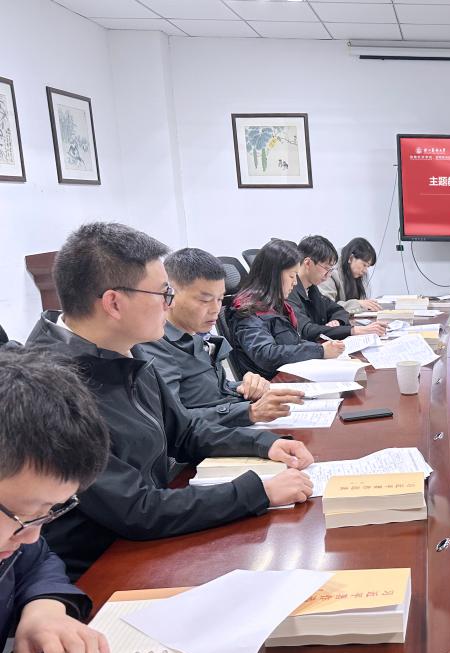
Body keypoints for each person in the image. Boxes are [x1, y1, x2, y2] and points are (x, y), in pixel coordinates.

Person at [27, 223, 314, 579]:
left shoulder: (125, 350)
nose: (169, 303)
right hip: (101, 569)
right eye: (163, 293)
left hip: (150, 539)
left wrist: (264, 444)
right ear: (114, 303)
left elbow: (185, 432)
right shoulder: (49, 390)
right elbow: (137, 509)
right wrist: (258, 492)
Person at [0, 348, 111, 653]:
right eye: (22, 514)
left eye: (47, 512)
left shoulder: (15, 536)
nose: (32, 536)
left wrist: (43, 609)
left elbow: (37, 561)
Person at [137, 248, 304, 428]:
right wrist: (249, 412)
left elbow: (210, 393)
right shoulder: (157, 347)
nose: (215, 309)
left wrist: (244, 386)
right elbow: (172, 420)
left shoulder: (195, 335)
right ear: (170, 295)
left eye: (219, 299)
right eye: (205, 300)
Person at [226, 239, 346, 379]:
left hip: (291, 373)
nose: (294, 282)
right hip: (272, 383)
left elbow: (291, 342)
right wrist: (320, 350)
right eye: (291, 276)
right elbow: (266, 355)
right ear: (273, 275)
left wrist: (323, 348)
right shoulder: (249, 311)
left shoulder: (274, 305)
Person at [287, 235, 386, 342]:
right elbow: (307, 331)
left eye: (331, 269)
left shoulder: (312, 289)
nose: (329, 275)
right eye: (326, 268)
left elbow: (338, 310)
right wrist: (353, 331)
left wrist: (337, 321)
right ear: (308, 263)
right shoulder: (289, 291)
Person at [319, 237, 381, 314]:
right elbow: (326, 306)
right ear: (351, 258)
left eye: (367, 267)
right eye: (364, 265)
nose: (365, 271)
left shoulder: (355, 274)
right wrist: (357, 304)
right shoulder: (330, 272)